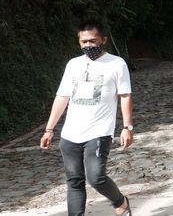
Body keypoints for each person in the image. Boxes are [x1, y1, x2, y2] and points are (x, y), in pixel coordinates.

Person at [39, 21, 134, 216]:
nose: (88, 45)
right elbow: (62, 97)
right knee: (74, 181)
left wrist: (127, 127)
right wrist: (49, 129)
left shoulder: (116, 63)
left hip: (99, 132)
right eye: (84, 41)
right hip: (70, 134)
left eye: (93, 40)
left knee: (96, 178)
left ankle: (120, 201)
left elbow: (125, 95)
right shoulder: (73, 64)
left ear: (103, 40)